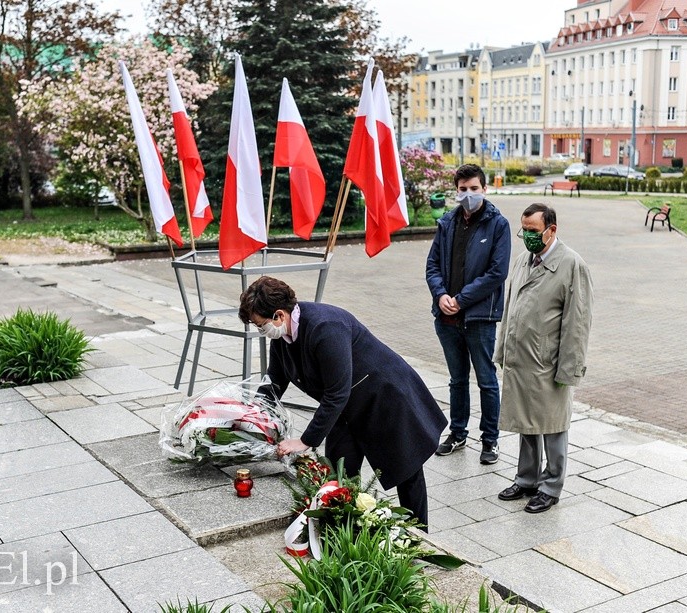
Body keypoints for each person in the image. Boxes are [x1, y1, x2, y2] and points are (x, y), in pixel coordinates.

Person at [238, 276, 447, 529]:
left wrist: (305, 441)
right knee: (339, 473)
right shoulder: (282, 337)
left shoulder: (325, 327)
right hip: (346, 410)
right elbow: (275, 380)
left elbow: (336, 392)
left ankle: (417, 537)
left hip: (387, 399)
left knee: (406, 472)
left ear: (279, 315)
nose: (261, 331)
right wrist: (254, 416)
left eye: (261, 325)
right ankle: (344, 530)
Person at [494, 203, 594, 513]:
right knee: (527, 423)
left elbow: (578, 323)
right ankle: (526, 479)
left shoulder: (572, 265)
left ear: (552, 230)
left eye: (534, 231)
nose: (528, 237)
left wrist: (570, 368)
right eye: (524, 230)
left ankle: (551, 487)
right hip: (521, 358)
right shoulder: (524, 259)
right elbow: (510, 307)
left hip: (548, 361)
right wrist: (502, 349)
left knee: (552, 427)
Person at [425, 163, 511, 464]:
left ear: (484, 190)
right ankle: (458, 433)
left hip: (480, 318)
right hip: (447, 317)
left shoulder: (498, 224)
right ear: (456, 190)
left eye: (474, 188)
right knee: (457, 380)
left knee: (486, 380)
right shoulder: (447, 222)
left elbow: (497, 272)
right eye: (463, 189)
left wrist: (461, 300)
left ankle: (490, 440)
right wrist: (441, 295)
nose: (469, 194)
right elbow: (432, 266)